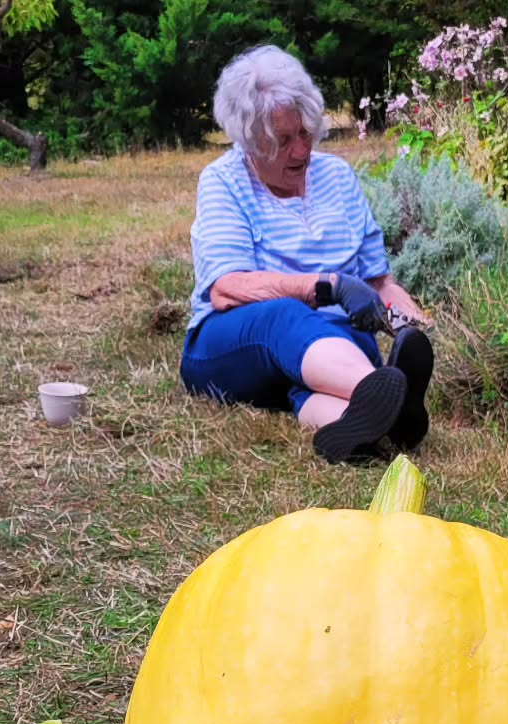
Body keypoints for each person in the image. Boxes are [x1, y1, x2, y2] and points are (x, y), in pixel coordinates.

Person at [181, 46, 434, 464]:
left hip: (327, 353)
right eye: (282, 141)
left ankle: (369, 428)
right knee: (286, 315)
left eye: (305, 134)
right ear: (249, 142)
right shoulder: (223, 181)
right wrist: (326, 286)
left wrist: (407, 320)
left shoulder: (336, 176)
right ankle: (389, 395)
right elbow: (226, 289)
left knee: (343, 346)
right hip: (235, 346)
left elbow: (377, 282)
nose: (300, 151)